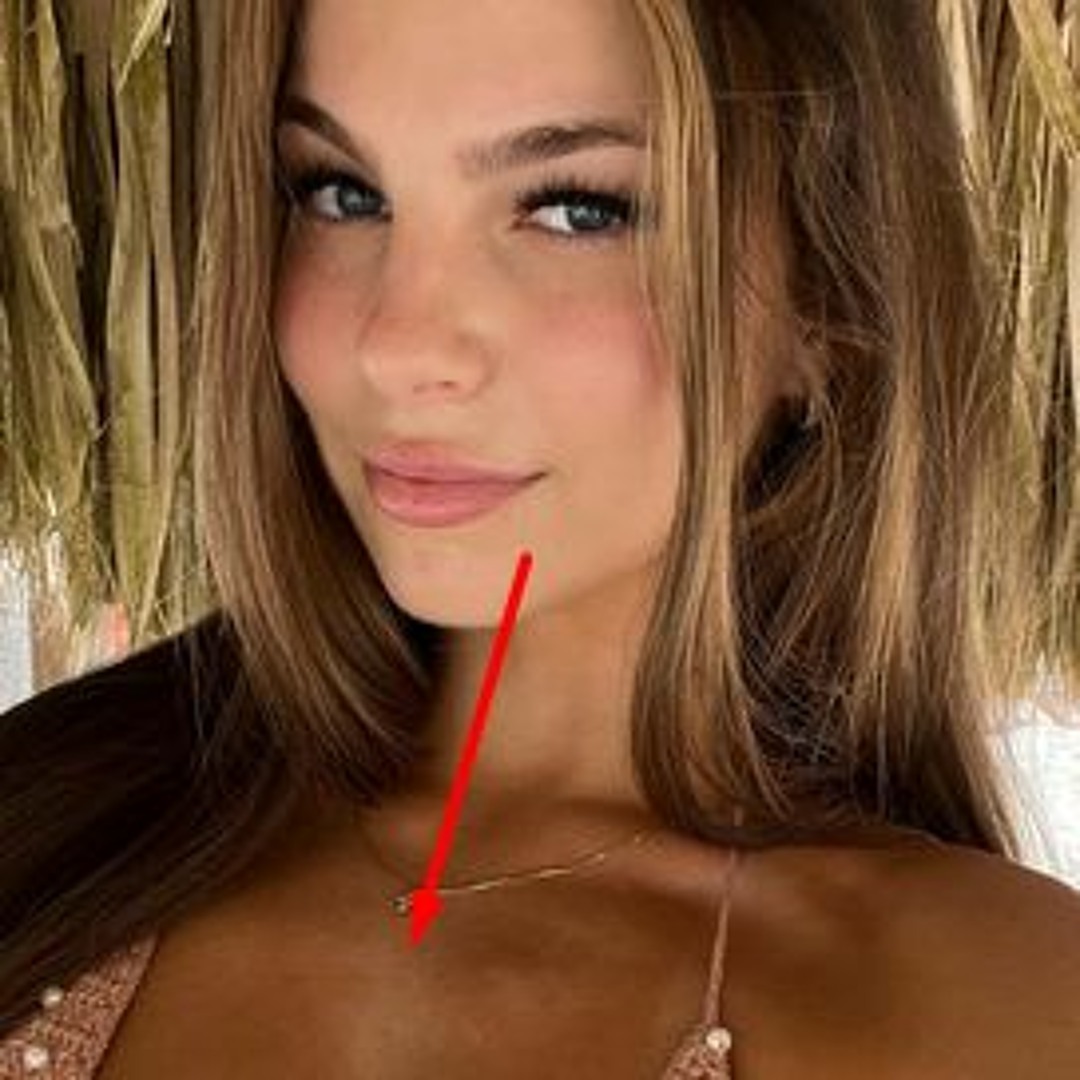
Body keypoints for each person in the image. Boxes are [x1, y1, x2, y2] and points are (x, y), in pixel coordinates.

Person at [2, 0, 1079, 1076]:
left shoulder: (997, 1005)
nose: (399, 347)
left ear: (825, 301)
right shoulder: (51, 813)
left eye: (575, 210)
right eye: (343, 193)